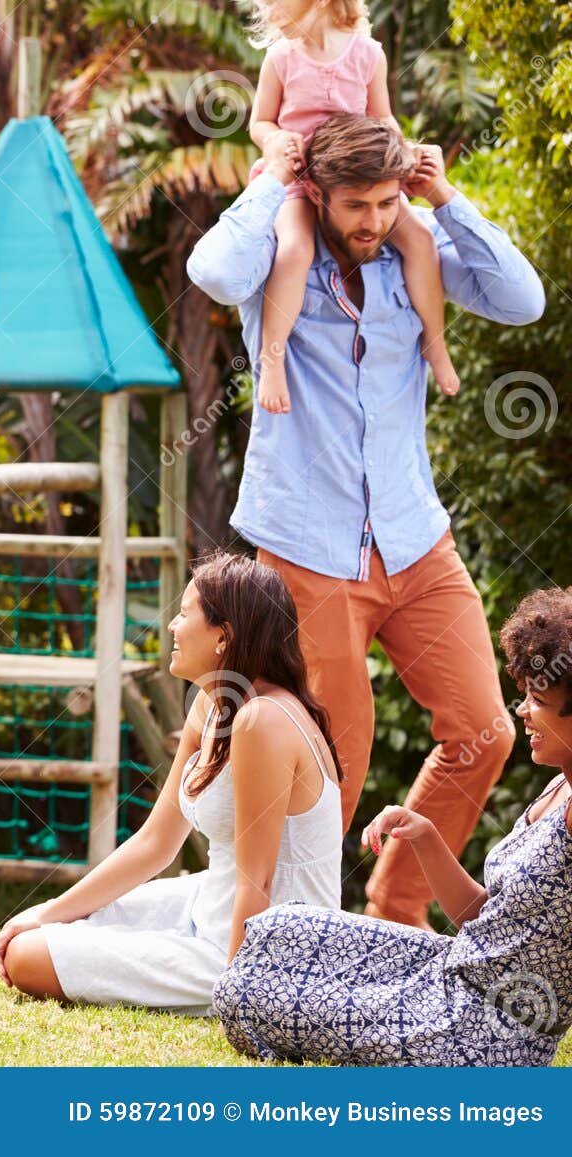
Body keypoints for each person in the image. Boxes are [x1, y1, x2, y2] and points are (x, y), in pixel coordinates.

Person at [187, 113, 545, 926]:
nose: (374, 221)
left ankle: (397, 903)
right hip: (307, 550)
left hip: (416, 539)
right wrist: (274, 178)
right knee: (329, 764)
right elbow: (211, 270)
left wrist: (443, 199)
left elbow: (524, 301)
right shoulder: (281, 260)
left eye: (387, 202)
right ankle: (295, 935)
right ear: (321, 194)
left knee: (486, 730)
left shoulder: (408, 262)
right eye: (356, 205)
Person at [215, 587, 572, 1066]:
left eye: (538, 700)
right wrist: (425, 835)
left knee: (243, 995)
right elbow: (484, 917)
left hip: (481, 1033)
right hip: (451, 969)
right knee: (279, 925)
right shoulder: (557, 789)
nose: (523, 711)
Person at [0, 554, 342, 1015]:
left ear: (224, 636)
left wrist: (242, 997)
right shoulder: (213, 705)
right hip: (207, 903)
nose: (172, 625)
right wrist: (48, 909)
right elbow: (157, 843)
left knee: (28, 957)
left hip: (270, 954)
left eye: (184, 612)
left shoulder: (264, 720)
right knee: (49, 927)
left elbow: (258, 880)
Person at [245, 0, 456, 411]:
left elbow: (384, 119)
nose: (269, 6)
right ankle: (273, 360)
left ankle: (435, 342)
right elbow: (260, 121)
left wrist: (404, 150)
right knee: (295, 250)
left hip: (359, 183)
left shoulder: (367, 54)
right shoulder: (281, 58)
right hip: (301, 177)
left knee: (419, 240)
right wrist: (274, 141)